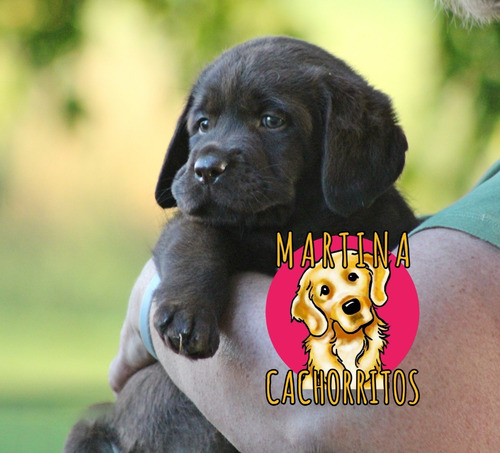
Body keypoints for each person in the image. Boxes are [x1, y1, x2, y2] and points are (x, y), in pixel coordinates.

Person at [109, 3, 500, 451]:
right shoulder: (212, 239)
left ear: (348, 149)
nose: (211, 156)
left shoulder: (387, 244)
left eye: (272, 121)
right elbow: (191, 233)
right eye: (203, 124)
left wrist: (146, 302)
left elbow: (334, 401)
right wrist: (183, 289)